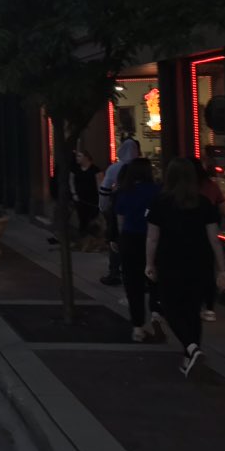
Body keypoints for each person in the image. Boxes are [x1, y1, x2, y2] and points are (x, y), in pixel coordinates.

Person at [145, 158, 225, 378]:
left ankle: (191, 348)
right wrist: (221, 269)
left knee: (172, 307)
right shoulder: (203, 203)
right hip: (199, 261)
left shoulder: (161, 203)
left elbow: (153, 238)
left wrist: (149, 263)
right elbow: (214, 240)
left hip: (170, 261)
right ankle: (190, 353)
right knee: (192, 309)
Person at [113, 158, 162, 341]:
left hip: (131, 239)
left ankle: (138, 327)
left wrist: (120, 238)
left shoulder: (125, 193)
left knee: (133, 284)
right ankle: (156, 312)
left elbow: (120, 220)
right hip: (154, 238)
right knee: (155, 278)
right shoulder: (157, 191)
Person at [98, 137, 141, 285]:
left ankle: (115, 272)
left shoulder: (114, 168)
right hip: (139, 210)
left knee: (115, 240)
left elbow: (104, 189)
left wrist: (103, 207)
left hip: (118, 208)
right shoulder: (141, 168)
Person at [192, 158, 225, 322]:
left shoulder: (183, 189)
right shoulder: (211, 186)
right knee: (207, 270)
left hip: (188, 235)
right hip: (208, 232)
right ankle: (209, 307)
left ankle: (195, 302)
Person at [70, 149, 104, 249]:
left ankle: (92, 242)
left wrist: (101, 199)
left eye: (79, 156)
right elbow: (71, 181)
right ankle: (82, 240)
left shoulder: (95, 170)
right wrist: (74, 193)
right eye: (77, 156)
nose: (77, 159)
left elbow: (100, 185)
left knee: (92, 220)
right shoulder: (75, 169)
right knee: (82, 219)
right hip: (80, 199)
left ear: (86, 157)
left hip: (93, 199)